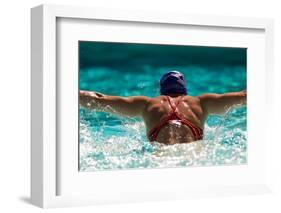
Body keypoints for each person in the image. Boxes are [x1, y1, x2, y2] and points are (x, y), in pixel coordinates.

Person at [80, 71, 246, 145]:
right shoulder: (201, 102)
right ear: (184, 89)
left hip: (160, 153)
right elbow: (243, 96)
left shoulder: (147, 104)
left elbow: (99, 100)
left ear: (161, 89)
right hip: (193, 151)